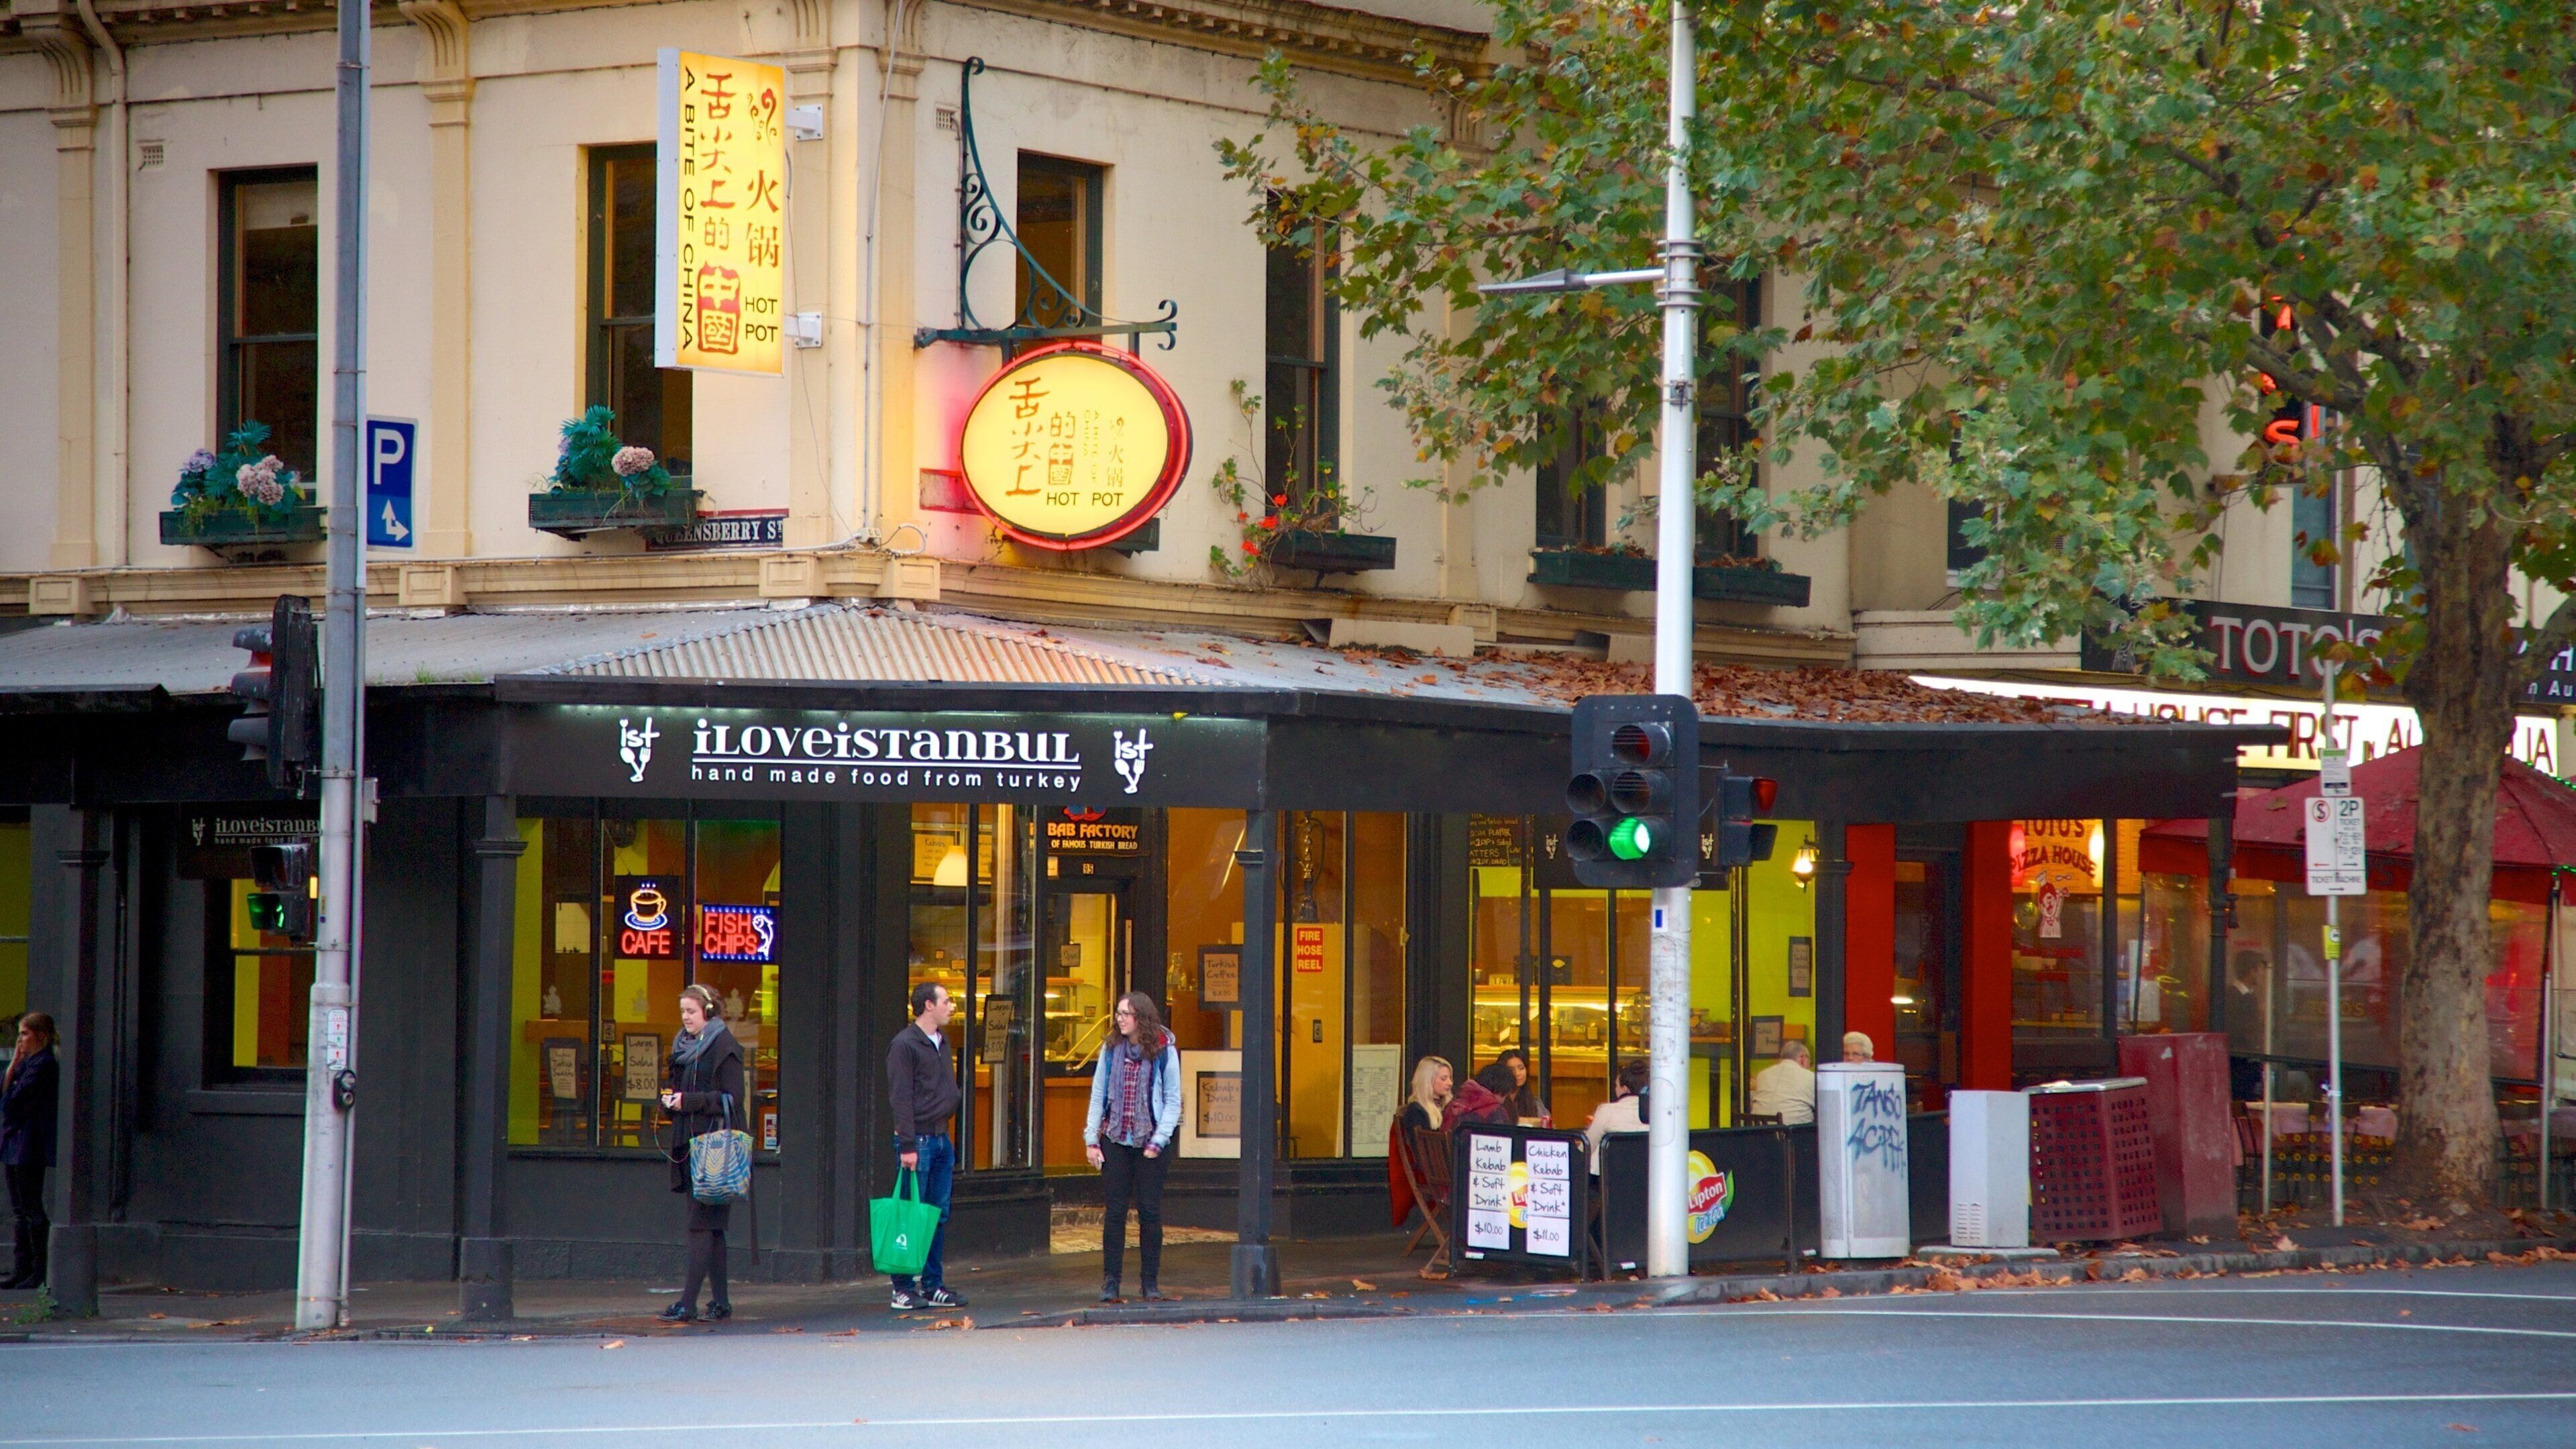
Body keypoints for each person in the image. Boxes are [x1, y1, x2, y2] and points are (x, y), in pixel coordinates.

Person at [1084, 991, 1181, 1303]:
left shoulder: (1165, 1051)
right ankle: (1110, 1282)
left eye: (1126, 1013)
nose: (1120, 1019)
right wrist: (1091, 1139)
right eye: (1118, 1013)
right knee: (1115, 1213)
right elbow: (1098, 1095)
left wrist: (1159, 1139)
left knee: (1150, 1213)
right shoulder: (1111, 1049)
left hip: (1151, 1143)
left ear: (1142, 1017)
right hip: (1116, 1139)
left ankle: (1149, 1283)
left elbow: (1172, 1101)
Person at [656, 985, 744, 1323]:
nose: (686, 1018)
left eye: (691, 1012)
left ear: (708, 1011)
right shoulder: (683, 1048)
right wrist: (670, 1102)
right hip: (690, 1144)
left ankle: (687, 1303)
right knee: (712, 1227)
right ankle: (720, 1302)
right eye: (682, 1012)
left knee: (700, 1225)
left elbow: (733, 1097)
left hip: (715, 1147)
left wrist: (689, 1102)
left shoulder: (725, 1046)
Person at [885, 981, 967, 1312]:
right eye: (946, 1001)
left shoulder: (942, 1041)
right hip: (917, 1140)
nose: (952, 1007)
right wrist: (907, 1144)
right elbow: (900, 1097)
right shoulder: (904, 1045)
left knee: (936, 1214)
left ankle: (932, 1284)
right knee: (909, 1215)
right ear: (928, 1006)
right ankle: (902, 1288)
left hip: (940, 1138)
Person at [1, 1013, 58, 1291]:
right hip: (15, 1141)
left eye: (25, 1033)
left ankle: (38, 1270)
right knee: (20, 1210)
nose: (20, 1039)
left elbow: (13, 1101)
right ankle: (22, 1269)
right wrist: (13, 1068)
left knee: (31, 1207)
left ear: (41, 1036)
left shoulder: (44, 1065)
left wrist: (12, 1072)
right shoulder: (27, 1065)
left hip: (30, 1142)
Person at [1583, 1059, 1651, 1175]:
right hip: (1649, 1180)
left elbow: (1586, 1148)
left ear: (1625, 1089)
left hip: (1608, 1183)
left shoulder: (1607, 1112)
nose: (1615, 1090)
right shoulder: (1661, 1115)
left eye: (1616, 1086)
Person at [1747, 1040, 1817, 1125]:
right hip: (1791, 1135)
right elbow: (1825, 1108)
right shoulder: (1810, 1077)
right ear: (1803, 1059)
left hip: (1759, 1134)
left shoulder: (1763, 1075)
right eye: (1810, 1062)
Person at [1487, 1048, 1548, 1124]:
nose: (1517, 1073)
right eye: (1511, 1070)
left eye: (1521, 1068)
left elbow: (1548, 1125)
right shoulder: (1494, 1101)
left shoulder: (1535, 1103)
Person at [1401, 1056, 1454, 1132]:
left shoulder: (1448, 1108)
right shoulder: (1416, 1111)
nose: (1450, 1083)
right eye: (1443, 1079)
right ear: (1428, 1081)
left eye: (1450, 1078)